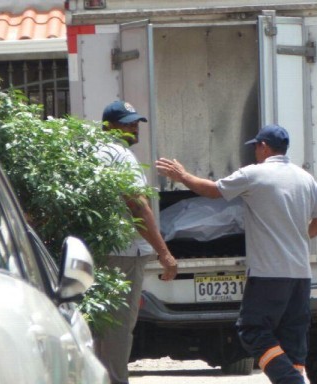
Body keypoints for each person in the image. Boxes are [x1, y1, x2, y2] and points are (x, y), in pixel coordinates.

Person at [155, 124, 317, 384]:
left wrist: (182, 176)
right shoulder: (304, 178)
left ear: (264, 147)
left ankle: (291, 381)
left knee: (252, 330)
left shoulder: (255, 175)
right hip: (301, 274)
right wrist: (297, 237)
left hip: (269, 273)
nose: (255, 153)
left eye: (256, 147)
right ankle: (292, 377)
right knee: (293, 338)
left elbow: (214, 191)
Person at [95, 100, 178, 384]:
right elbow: (138, 206)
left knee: (98, 325)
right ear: (109, 126)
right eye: (127, 123)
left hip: (99, 249)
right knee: (118, 327)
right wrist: (164, 253)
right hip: (124, 253)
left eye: (135, 123)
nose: (133, 128)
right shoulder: (121, 156)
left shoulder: (93, 152)